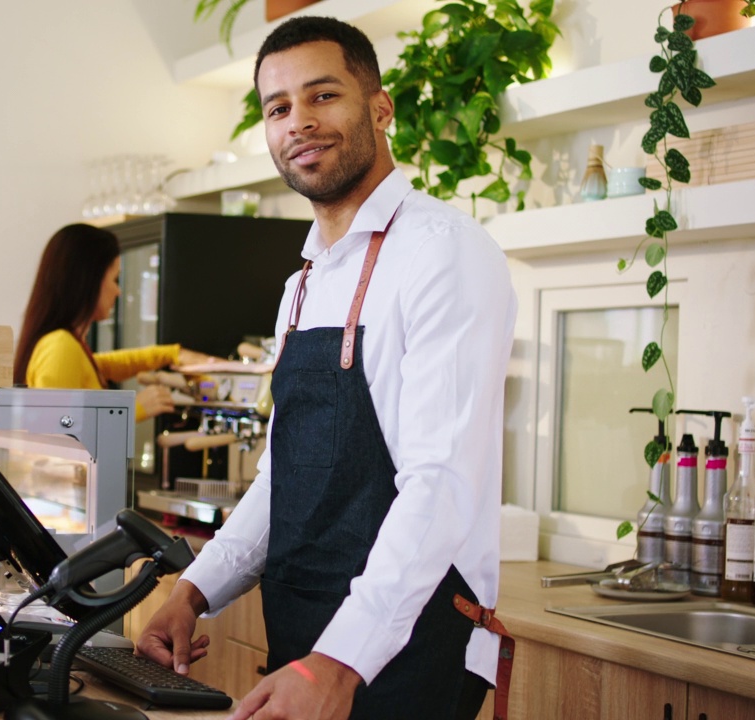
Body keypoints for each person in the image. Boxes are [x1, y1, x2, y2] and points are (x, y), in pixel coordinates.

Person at [135, 16, 517, 720]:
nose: (299, 123)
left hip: (406, 643)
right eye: (279, 108)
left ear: (380, 107)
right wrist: (193, 592)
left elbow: (440, 488)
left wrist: (343, 660)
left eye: (322, 96)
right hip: (306, 640)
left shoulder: (445, 253)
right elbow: (287, 478)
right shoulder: (303, 284)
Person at [13, 223, 214, 421]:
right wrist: (130, 411)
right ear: (89, 280)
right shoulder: (60, 346)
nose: (118, 291)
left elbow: (111, 364)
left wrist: (171, 354)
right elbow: (56, 432)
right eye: (114, 279)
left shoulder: (67, 345)